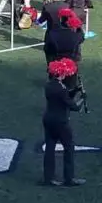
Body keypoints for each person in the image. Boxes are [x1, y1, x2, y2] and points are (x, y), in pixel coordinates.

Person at [41, 58, 85, 187]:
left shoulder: (49, 85)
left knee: (49, 148)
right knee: (69, 148)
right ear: (62, 73)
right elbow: (74, 106)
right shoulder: (61, 88)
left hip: (48, 119)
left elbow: (63, 97)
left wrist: (75, 90)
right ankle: (69, 178)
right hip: (61, 122)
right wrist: (82, 98)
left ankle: (48, 178)